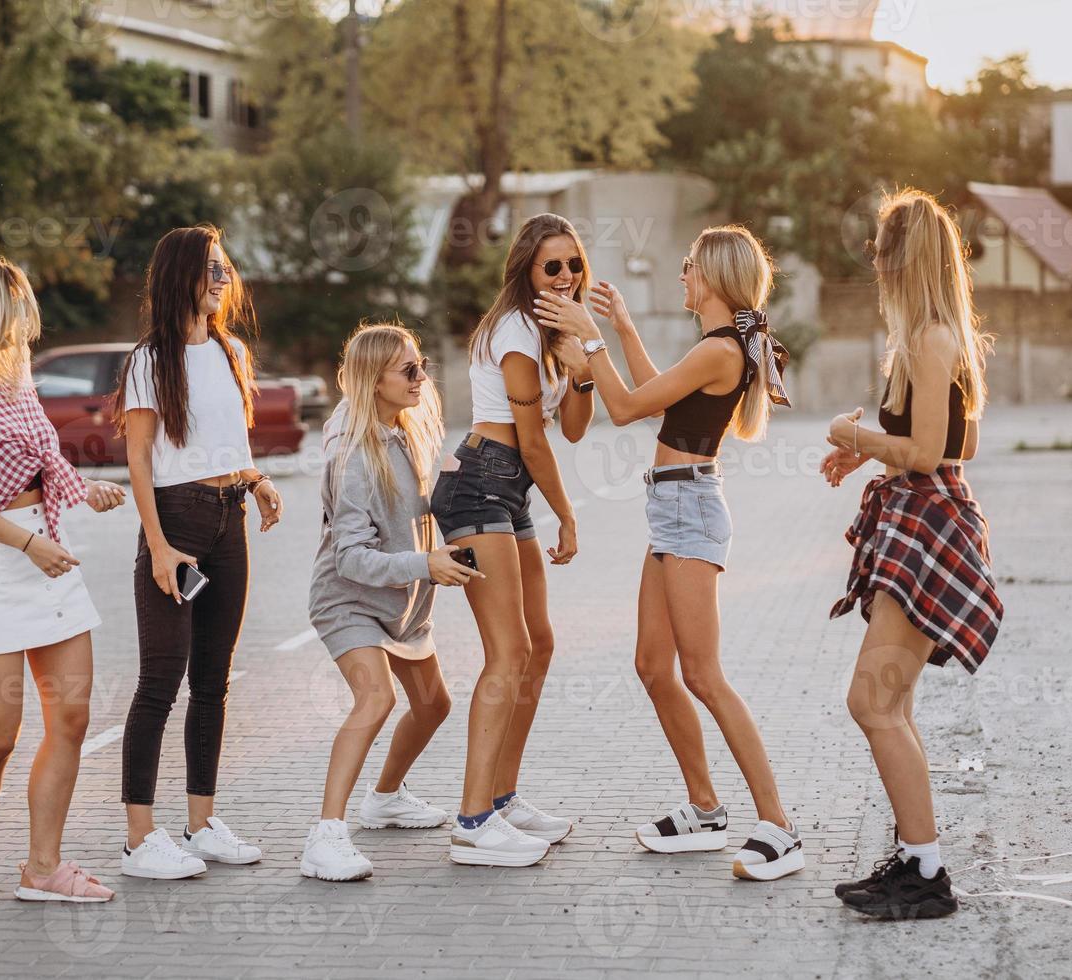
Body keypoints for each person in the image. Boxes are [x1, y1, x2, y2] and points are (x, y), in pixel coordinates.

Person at [537, 224, 805, 882]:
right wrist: (622, 328)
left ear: (712, 276)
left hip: (688, 511)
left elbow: (624, 408)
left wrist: (588, 337)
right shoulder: (715, 347)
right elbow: (661, 404)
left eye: (688, 265)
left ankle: (779, 824)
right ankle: (705, 809)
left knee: (704, 677)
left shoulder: (721, 351)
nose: (681, 274)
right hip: (672, 507)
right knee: (655, 667)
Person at [0, 256, 126, 905]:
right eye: (16, 302)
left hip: (50, 554)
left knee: (70, 717)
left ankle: (43, 869)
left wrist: (86, 491)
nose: (26, 314)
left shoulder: (19, 380)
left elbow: (46, 460)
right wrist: (29, 542)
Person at [822, 189, 1002, 920]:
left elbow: (929, 451)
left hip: (927, 528)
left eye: (881, 249)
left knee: (871, 701)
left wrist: (853, 436)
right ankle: (915, 859)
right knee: (891, 703)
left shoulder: (930, 339)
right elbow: (957, 446)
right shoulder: (930, 337)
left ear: (905, 256)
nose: (874, 261)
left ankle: (926, 876)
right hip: (922, 517)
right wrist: (869, 461)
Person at [111, 225, 284, 881]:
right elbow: (139, 459)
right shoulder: (151, 362)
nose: (223, 280)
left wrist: (258, 480)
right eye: (212, 269)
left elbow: (224, 445)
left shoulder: (230, 349)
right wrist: (158, 546)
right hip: (176, 520)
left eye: (226, 269)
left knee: (212, 681)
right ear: (181, 273)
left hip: (228, 517)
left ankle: (202, 823)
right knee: (160, 682)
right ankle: (138, 838)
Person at [430, 213, 595, 868]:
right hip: (479, 485)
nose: (565, 276)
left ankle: (501, 797)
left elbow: (576, 428)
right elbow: (531, 440)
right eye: (551, 266)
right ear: (527, 269)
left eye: (574, 265)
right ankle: (473, 820)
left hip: (508, 491)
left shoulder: (554, 332)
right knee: (509, 651)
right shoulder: (518, 331)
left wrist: (582, 364)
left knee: (540, 643)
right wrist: (570, 516)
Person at [301, 323, 482, 881]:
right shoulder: (355, 453)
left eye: (421, 364)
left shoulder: (406, 436)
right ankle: (325, 837)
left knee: (433, 705)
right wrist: (424, 564)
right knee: (375, 700)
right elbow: (352, 557)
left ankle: (384, 799)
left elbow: (415, 512)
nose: (421, 376)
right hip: (347, 598)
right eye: (408, 370)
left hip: (402, 607)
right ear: (372, 380)